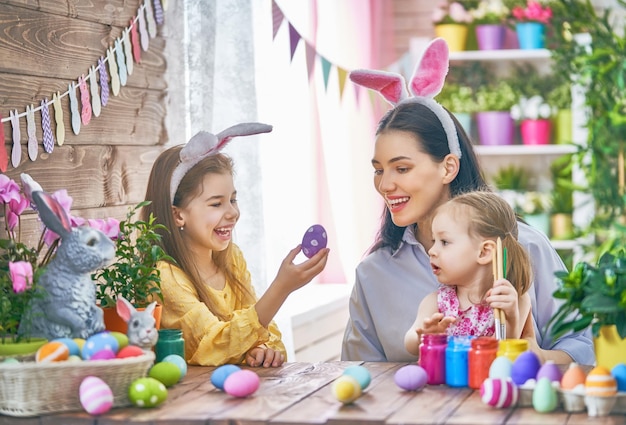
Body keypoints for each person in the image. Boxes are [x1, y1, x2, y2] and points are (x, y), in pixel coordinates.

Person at [341, 38, 595, 364]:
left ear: (448, 166)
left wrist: (536, 355)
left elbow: (583, 346)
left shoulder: (523, 245)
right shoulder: (373, 274)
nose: (385, 185)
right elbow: (357, 374)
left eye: (401, 168)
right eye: (378, 170)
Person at [141, 123, 330, 367]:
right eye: (216, 204)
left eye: (233, 199)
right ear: (178, 215)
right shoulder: (164, 277)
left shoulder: (231, 259)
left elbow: (266, 332)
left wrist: (262, 349)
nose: (233, 212)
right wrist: (281, 288)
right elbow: (213, 346)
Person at [404, 191, 533, 356]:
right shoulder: (436, 302)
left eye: (444, 242)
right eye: (433, 241)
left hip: (490, 381)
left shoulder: (515, 299)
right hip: (446, 382)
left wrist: (511, 318)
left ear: (484, 252)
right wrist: (424, 337)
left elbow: (501, 351)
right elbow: (409, 344)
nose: (432, 251)